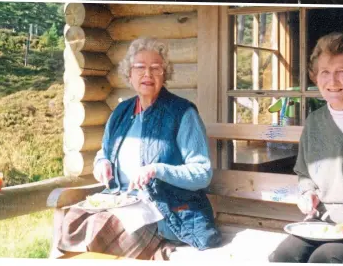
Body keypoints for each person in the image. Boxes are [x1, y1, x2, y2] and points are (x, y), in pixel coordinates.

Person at [56, 37, 221, 260]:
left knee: (99, 227)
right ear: (129, 74)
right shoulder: (121, 113)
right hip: (119, 200)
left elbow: (202, 174)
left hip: (164, 208)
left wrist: (157, 170)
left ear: (165, 74)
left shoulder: (182, 113)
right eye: (140, 68)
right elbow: (104, 152)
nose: (148, 75)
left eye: (156, 68)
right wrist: (102, 163)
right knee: (71, 220)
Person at [268, 32, 343, 264]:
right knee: (284, 256)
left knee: (326, 259)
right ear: (316, 78)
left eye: (341, 72)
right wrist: (307, 193)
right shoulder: (314, 122)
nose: (332, 82)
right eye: (324, 72)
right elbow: (304, 175)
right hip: (324, 224)